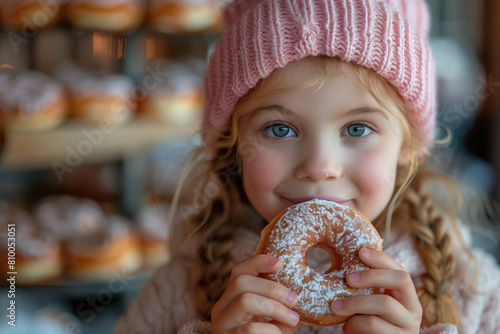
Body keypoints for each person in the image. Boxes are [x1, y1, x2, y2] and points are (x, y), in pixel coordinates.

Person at [115, 0, 500, 333]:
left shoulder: (473, 290)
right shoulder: (180, 287)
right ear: (233, 145)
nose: (319, 167)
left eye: (357, 128)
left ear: (408, 145)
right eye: (280, 129)